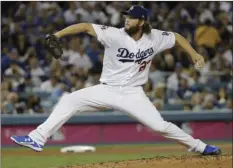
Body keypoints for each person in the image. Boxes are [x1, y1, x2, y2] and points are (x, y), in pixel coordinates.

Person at [11, 5, 220, 155]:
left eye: (131, 18)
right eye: (126, 17)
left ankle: (200, 147)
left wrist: (194, 54)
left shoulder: (155, 37)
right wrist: (57, 35)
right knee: (69, 99)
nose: (126, 20)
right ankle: (37, 138)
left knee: (160, 127)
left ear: (142, 22)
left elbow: (177, 37)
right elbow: (84, 26)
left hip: (133, 93)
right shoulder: (113, 34)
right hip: (107, 90)